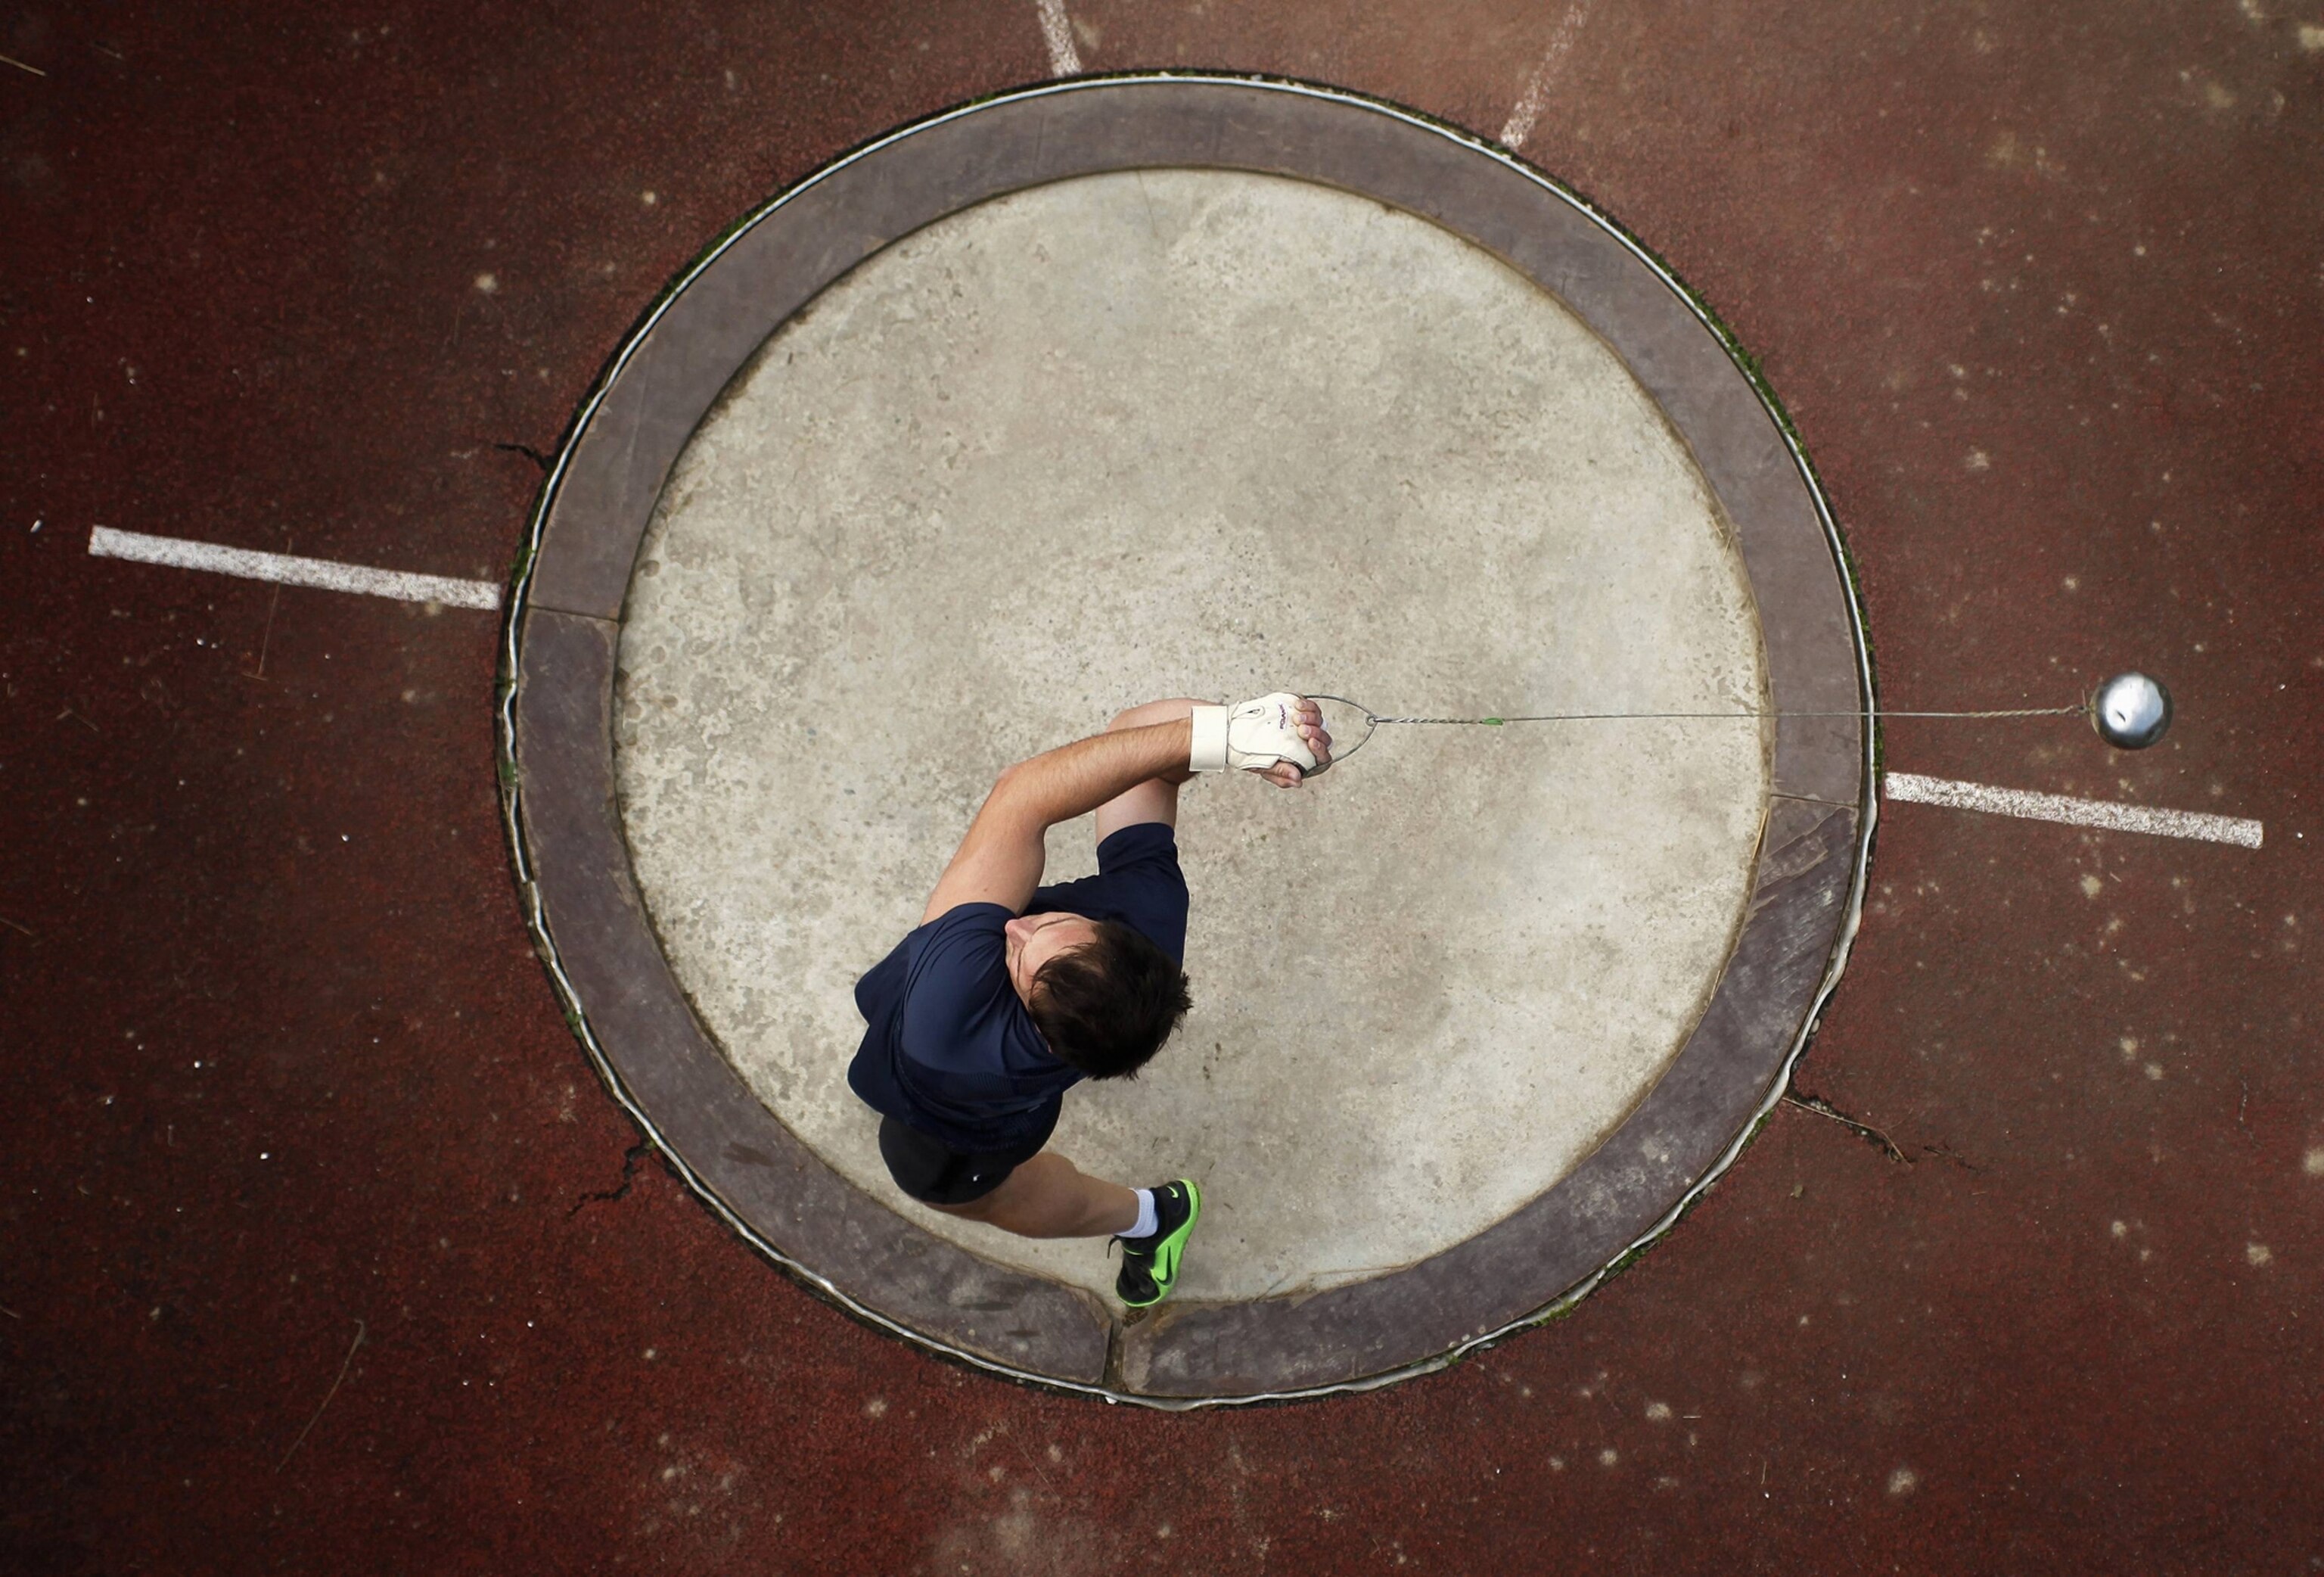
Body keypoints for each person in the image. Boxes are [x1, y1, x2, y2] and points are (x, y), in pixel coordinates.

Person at [848, 693, 1334, 1307]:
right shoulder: (1150, 917)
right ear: (1116, 933)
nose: (1016, 927)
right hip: (1003, 1063)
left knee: (946, 1185)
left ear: (1028, 1019)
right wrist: (1237, 734)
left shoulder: (948, 1011)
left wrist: (1211, 737)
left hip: (957, 1123)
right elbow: (1141, 739)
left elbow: (1020, 792)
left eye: (1026, 958)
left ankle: (1151, 1217)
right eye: (1052, 924)